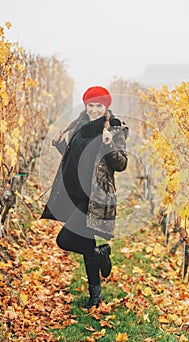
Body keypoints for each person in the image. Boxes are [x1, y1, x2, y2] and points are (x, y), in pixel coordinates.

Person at [40, 86, 128, 309]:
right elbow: (75, 157)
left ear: (106, 107)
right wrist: (60, 144)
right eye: (91, 105)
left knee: (65, 239)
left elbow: (121, 164)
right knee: (87, 243)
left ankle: (99, 257)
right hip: (74, 191)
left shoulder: (114, 128)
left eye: (99, 105)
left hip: (94, 196)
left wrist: (109, 145)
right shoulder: (80, 125)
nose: (95, 109)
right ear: (86, 105)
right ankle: (95, 292)